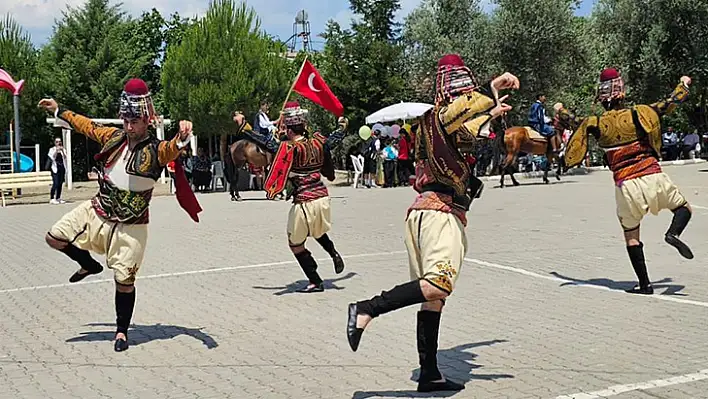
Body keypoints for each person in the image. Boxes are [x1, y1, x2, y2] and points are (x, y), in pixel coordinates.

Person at [346, 54, 518, 393]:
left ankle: (429, 373)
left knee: (433, 298)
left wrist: (493, 112)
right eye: (463, 91)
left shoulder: (435, 122)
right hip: (438, 212)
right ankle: (366, 309)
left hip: (426, 214)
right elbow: (462, 116)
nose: (465, 97)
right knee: (438, 285)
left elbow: (472, 135)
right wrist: (493, 85)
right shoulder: (440, 115)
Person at [38, 78, 201, 352]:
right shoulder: (113, 138)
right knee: (54, 237)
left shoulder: (157, 149)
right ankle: (88, 264)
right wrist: (59, 110)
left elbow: (174, 147)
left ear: (146, 120)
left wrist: (183, 136)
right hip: (98, 211)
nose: (128, 126)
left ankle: (122, 331)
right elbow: (85, 124)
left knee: (125, 282)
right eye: (125, 120)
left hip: (132, 226)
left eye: (134, 121)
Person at [564, 69, 694, 295]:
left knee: (631, 235)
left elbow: (572, 121)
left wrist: (559, 109)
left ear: (601, 97)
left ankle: (645, 285)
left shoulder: (594, 122)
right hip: (653, 177)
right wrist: (684, 82)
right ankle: (673, 233)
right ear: (621, 93)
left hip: (626, 187)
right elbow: (672, 101)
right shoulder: (640, 113)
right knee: (684, 208)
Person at [257, 101, 347, 292]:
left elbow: (266, 143)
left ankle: (315, 280)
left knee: (295, 243)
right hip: (323, 197)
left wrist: (244, 128)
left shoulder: (291, 149)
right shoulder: (318, 143)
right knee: (317, 231)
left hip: (305, 200)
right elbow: (334, 139)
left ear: (289, 130)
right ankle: (333, 253)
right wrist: (342, 126)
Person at [47, 136, 67, 204]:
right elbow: (52, 158)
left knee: (60, 184)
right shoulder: (52, 149)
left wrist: (62, 151)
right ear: (55, 143)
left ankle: (58, 197)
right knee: (55, 183)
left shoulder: (63, 149)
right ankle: (52, 198)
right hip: (55, 168)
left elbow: (65, 157)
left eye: (59, 142)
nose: (58, 143)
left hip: (62, 167)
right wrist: (56, 150)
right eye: (57, 142)